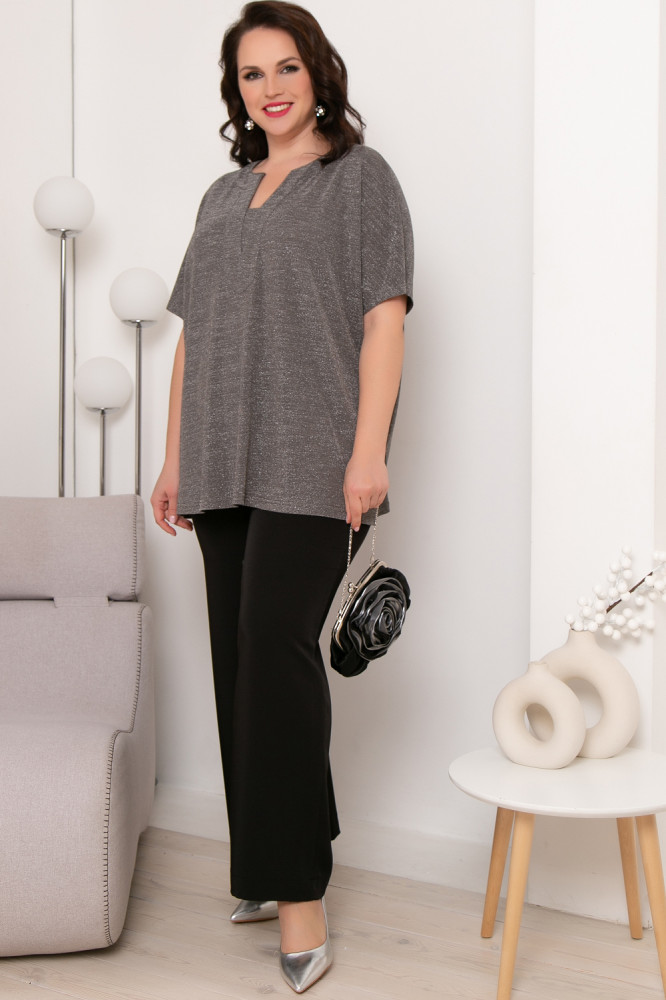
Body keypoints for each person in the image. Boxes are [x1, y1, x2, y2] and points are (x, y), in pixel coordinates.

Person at [150, 1, 413, 992]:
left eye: (286, 67)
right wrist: (174, 457)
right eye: (252, 73)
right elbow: (195, 334)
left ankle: (300, 893)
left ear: (318, 73)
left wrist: (368, 452)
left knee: (276, 653)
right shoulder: (222, 197)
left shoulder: (361, 180)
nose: (271, 87)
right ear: (237, 91)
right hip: (220, 459)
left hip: (314, 457)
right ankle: (269, 861)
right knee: (239, 663)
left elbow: (384, 320)